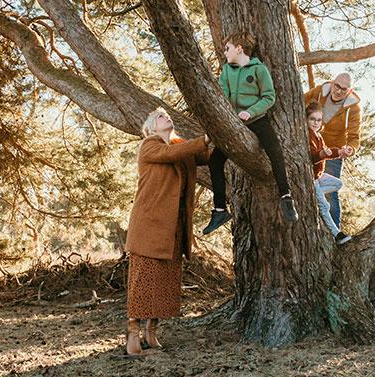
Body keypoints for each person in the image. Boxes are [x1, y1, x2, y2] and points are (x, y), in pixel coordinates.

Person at [124, 107, 211, 356]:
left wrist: (218, 137)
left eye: (168, 116)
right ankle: (133, 332)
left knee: (164, 282)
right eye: (162, 117)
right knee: (143, 280)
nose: (168, 118)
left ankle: (152, 332)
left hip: (172, 226)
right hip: (149, 225)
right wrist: (203, 140)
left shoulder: (180, 145)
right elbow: (173, 153)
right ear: (152, 127)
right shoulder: (150, 145)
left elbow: (200, 155)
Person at [203, 30, 298, 235]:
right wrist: (227, 118)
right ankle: (219, 210)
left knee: (275, 152)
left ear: (239, 49)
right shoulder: (227, 71)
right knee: (215, 160)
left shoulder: (258, 69)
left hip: (257, 120)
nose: (224, 52)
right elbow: (222, 97)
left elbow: (269, 97)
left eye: (227, 48)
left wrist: (250, 111)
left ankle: (286, 196)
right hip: (235, 124)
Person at [303, 73, 361, 229]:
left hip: (333, 152)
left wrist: (350, 148)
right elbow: (300, 100)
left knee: (331, 195)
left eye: (344, 89)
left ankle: (334, 232)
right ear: (333, 83)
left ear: (349, 91)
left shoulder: (353, 107)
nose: (339, 91)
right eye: (337, 86)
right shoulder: (321, 91)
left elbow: (354, 136)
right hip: (310, 144)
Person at [306, 101, 352, 245]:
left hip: (319, 177)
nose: (315, 123)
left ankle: (314, 194)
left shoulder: (318, 136)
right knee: (325, 206)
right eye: (312, 119)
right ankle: (337, 234)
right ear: (306, 119)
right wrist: (321, 154)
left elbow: (328, 151)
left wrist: (340, 152)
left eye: (319, 120)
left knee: (338, 183)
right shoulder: (307, 135)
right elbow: (311, 156)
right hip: (310, 177)